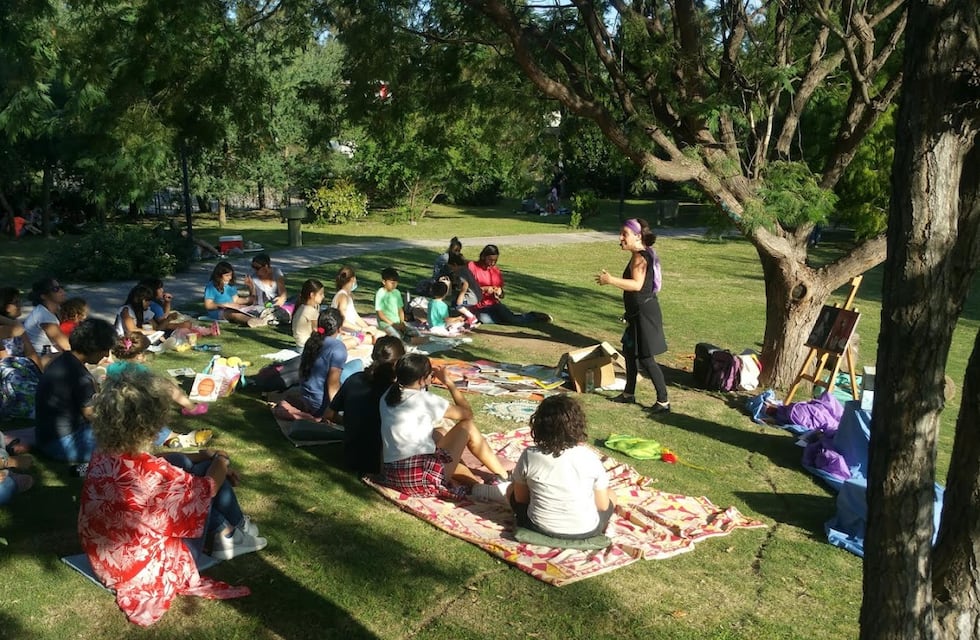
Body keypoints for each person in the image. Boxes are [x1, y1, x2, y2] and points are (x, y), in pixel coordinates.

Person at [78, 368, 264, 627]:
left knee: (183, 461)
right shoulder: (155, 476)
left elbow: (158, 461)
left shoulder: (104, 453)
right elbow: (206, 488)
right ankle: (230, 531)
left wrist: (204, 455)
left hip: (108, 559)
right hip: (143, 569)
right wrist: (221, 459)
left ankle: (231, 528)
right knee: (203, 480)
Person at [378, 353, 510, 500]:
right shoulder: (425, 400)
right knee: (467, 427)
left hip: (393, 476)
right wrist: (449, 383)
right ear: (422, 379)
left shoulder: (387, 395)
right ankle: (503, 476)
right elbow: (467, 415)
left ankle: (474, 484)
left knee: (439, 433)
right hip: (419, 480)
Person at [508, 395, 615, 539]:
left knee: (511, 488)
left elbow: (520, 499)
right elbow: (602, 506)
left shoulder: (529, 455)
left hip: (538, 527)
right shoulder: (590, 458)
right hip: (585, 530)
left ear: (538, 425)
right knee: (611, 494)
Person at [595, 217, 670, 413]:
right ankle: (629, 394)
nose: (620, 238)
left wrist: (610, 280)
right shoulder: (641, 254)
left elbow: (636, 285)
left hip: (645, 313)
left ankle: (663, 402)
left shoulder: (639, 257)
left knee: (646, 358)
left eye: (624, 234)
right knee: (629, 352)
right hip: (636, 313)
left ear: (637, 236)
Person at [34, 318, 116, 465]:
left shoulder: (63, 360)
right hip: (65, 442)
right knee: (123, 438)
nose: (106, 355)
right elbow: (91, 414)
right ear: (95, 348)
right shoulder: (80, 376)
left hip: (45, 437)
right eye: (105, 350)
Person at [324, 336, 405, 474]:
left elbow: (329, 414)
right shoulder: (396, 392)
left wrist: (352, 422)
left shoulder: (354, 379)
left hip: (350, 457)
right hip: (380, 463)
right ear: (398, 363)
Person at [109, 332, 211, 420]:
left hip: (114, 404)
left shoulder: (111, 368)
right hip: (135, 405)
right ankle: (191, 408)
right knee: (167, 385)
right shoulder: (140, 370)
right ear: (140, 355)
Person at [298, 308, 362, 418]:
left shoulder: (312, 340)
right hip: (320, 405)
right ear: (339, 328)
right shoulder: (338, 348)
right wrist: (335, 411)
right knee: (358, 365)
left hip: (306, 397)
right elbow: (333, 384)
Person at [467, 244, 552, 325]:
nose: (492, 263)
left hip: (493, 304)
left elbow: (502, 295)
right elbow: (467, 289)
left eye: (495, 261)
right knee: (484, 319)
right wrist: (483, 289)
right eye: (490, 260)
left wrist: (500, 292)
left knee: (511, 319)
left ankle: (533, 316)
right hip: (477, 306)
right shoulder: (472, 266)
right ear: (483, 257)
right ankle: (505, 318)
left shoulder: (495, 271)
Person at [331, 266, 385, 345]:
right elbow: (342, 322)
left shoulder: (346, 295)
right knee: (379, 338)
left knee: (379, 334)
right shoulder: (343, 297)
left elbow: (356, 317)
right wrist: (362, 329)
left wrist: (368, 328)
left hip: (352, 331)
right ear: (353, 279)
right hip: (347, 333)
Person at [203, 261, 267, 327]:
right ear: (219, 275)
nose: (230, 277)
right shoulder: (211, 286)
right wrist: (223, 305)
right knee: (233, 314)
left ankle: (263, 318)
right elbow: (208, 305)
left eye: (231, 275)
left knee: (253, 308)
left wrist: (251, 287)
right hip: (218, 310)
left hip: (232, 307)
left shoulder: (230, 285)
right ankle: (253, 321)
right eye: (227, 275)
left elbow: (236, 300)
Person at [23, 277, 71, 364]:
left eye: (61, 287)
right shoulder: (43, 315)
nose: (61, 291)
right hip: (41, 360)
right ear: (44, 296)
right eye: (55, 289)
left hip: (50, 354)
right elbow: (66, 345)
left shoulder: (55, 310)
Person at [243, 253, 289, 323]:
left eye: (257, 268)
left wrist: (281, 299)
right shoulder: (253, 278)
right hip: (263, 306)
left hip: (277, 302)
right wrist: (250, 287)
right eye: (253, 267)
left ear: (266, 266)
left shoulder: (276, 272)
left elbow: (283, 293)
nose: (255, 270)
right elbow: (254, 300)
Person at [374, 267, 410, 338]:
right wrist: (393, 324)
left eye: (396, 282)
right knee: (395, 337)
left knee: (414, 333)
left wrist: (402, 322)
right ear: (384, 282)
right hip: (385, 324)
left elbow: (400, 310)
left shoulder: (397, 293)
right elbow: (380, 314)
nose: (394, 285)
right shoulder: (380, 293)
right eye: (392, 283)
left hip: (397, 322)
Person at [292, 278, 325, 349]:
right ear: (312, 295)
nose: (323, 296)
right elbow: (316, 330)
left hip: (299, 345)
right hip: (306, 347)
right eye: (321, 294)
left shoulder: (301, 307)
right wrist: (326, 332)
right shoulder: (311, 311)